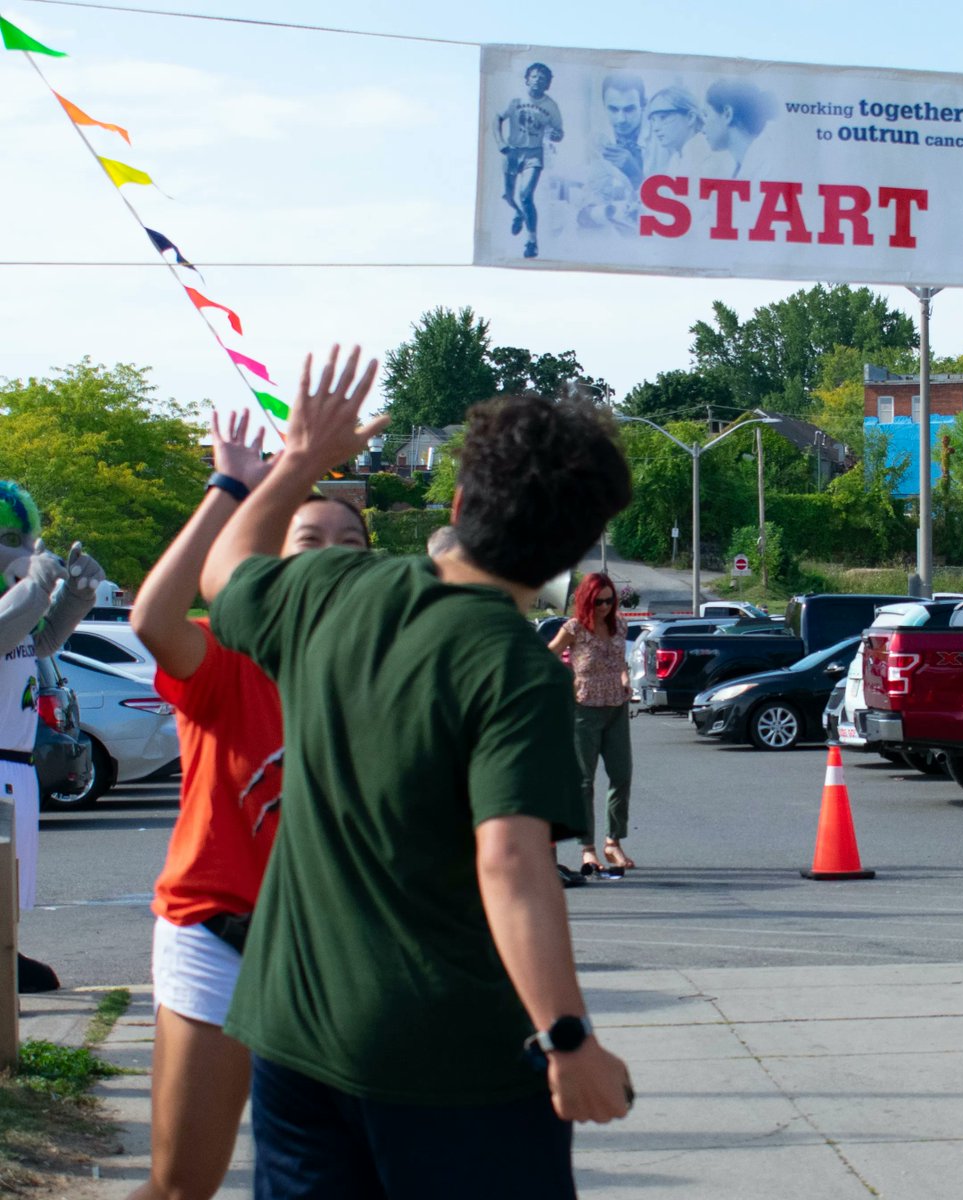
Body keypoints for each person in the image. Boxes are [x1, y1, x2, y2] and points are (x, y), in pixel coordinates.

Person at [199, 346, 635, 1198]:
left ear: (461, 500)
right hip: (453, 1059)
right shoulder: (515, 667)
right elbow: (510, 862)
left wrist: (294, 465)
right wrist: (568, 1039)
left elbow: (223, 575)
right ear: (572, 550)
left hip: (294, 1032)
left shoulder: (330, 586)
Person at [127, 412, 370, 1200]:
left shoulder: (384, 666)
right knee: (181, 1184)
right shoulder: (226, 657)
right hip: (217, 934)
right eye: (308, 538)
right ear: (270, 557)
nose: (331, 555)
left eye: (351, 544)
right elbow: (151, 620)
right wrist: (230, 487)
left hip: (333, 949)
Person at [0, 481, 104, 993]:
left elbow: (40, 641)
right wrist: (35, 586)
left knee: (12, 874)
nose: (23, 551)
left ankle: (5, 950)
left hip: (16, 763)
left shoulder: (13, 606)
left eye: (25, 539)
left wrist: (74, 596)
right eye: (9, 540)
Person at [546, 572, 636, 874]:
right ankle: (587, 849)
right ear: (587, 600)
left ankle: (613, 842)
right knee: (584, 783)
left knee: (621, 776)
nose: (606, 607)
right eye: (599, 601)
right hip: (583, 711)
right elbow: (548, 657)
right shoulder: (575, 629)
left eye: (611, 600)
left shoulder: (620, 625)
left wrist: (625, 680)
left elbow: (620, 662)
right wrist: (565, 683)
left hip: (616, 709)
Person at [495, 61, 563, 260]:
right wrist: (500, 142)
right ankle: (518, 213)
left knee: (525, 195)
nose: (537, 81)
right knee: (508, 196)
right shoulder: (515, 99)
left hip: (533, 154)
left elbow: (559, 133)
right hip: (513, 152)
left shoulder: (551, 106)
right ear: (527, 79)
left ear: (547, 84)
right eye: (534, 77)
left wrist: (556, 135)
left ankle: (531, 241)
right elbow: (497, 118)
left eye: (542, 79)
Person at [577, 72, 646, 236]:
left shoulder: (662, 138)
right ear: (604, 105)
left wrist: (636, 176)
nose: (621, 119)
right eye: (613, 109)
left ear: (644, 105)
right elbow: (592, 198)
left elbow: (670, 211)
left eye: (629, 109)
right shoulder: (598, 140)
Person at [702, 79, 781, 179]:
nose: (702, 129)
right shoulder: (748, 166)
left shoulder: (768, 166)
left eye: (706, 115)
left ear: (727, 114)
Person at [643, 85, 709, 176]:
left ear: (690, 118)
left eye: (663, 117)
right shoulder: (676, 159)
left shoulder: (708, 157)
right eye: (653, 120)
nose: (655, 128)